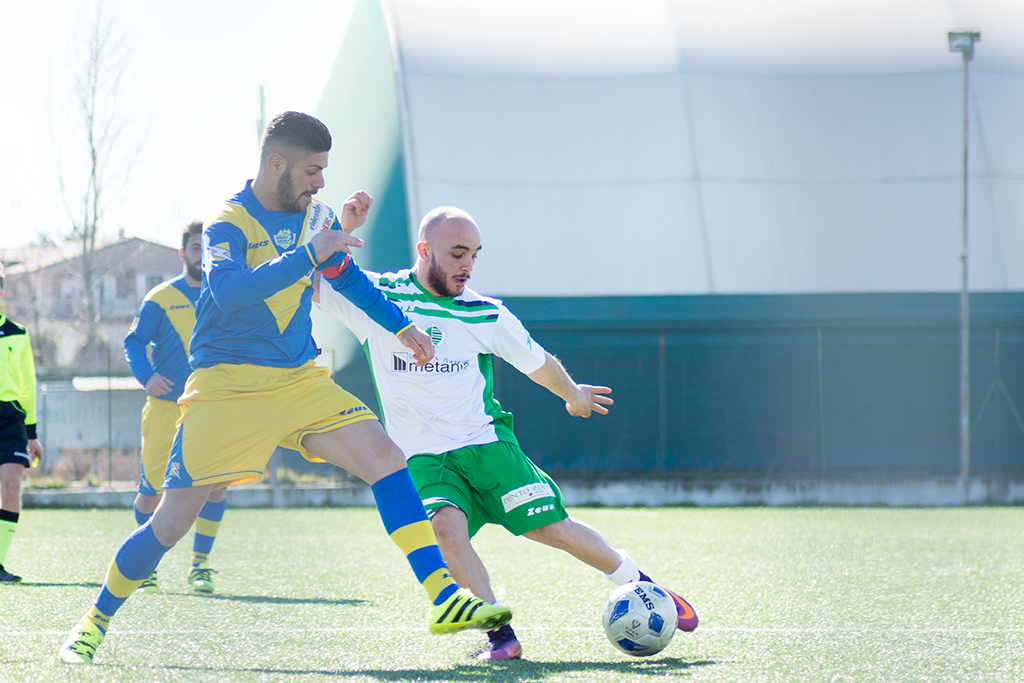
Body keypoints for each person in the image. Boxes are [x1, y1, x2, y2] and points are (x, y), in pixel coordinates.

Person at [59, 112, 510, 666]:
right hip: (226, 388)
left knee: (387, 458)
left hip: (299, 382)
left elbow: (344, 276)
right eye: (312, 170)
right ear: (276, 163)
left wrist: (400, 325)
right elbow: (228, 292)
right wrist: (309, 254)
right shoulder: (227, 222)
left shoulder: (316, 218)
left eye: (324, 170)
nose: (321, 182)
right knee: (169, 523)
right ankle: (93, 622)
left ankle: (443, 595)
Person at [315, 206, 699, 661]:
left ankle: (643, 586)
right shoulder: (374, 298)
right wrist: (337, 229)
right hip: (423, 460)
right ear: (424, 250)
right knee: (444, 531)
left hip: (488, 448)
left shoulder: (485, 313)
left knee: (552, 528)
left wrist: (573, 394)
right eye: (457, 253)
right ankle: (501, 637)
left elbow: (537, 362)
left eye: (474, 255)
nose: (468, 266)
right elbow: (310, 280)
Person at [124, 221, 226, 594]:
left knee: (215, 487)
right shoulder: (161, 297)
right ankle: (145, 566)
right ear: (183, 253)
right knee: (152, 493)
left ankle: (200, 566)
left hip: (211, 410)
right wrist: (147, 376)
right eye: (196, 248)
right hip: (165, 409)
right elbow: (134, 342)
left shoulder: (225, 293)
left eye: (208, 249)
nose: (203, 256)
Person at [0, 263, 45, 584]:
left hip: (11, 419)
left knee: (11, 483)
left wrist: (32, 434)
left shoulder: (18, 333)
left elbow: (28, 384)